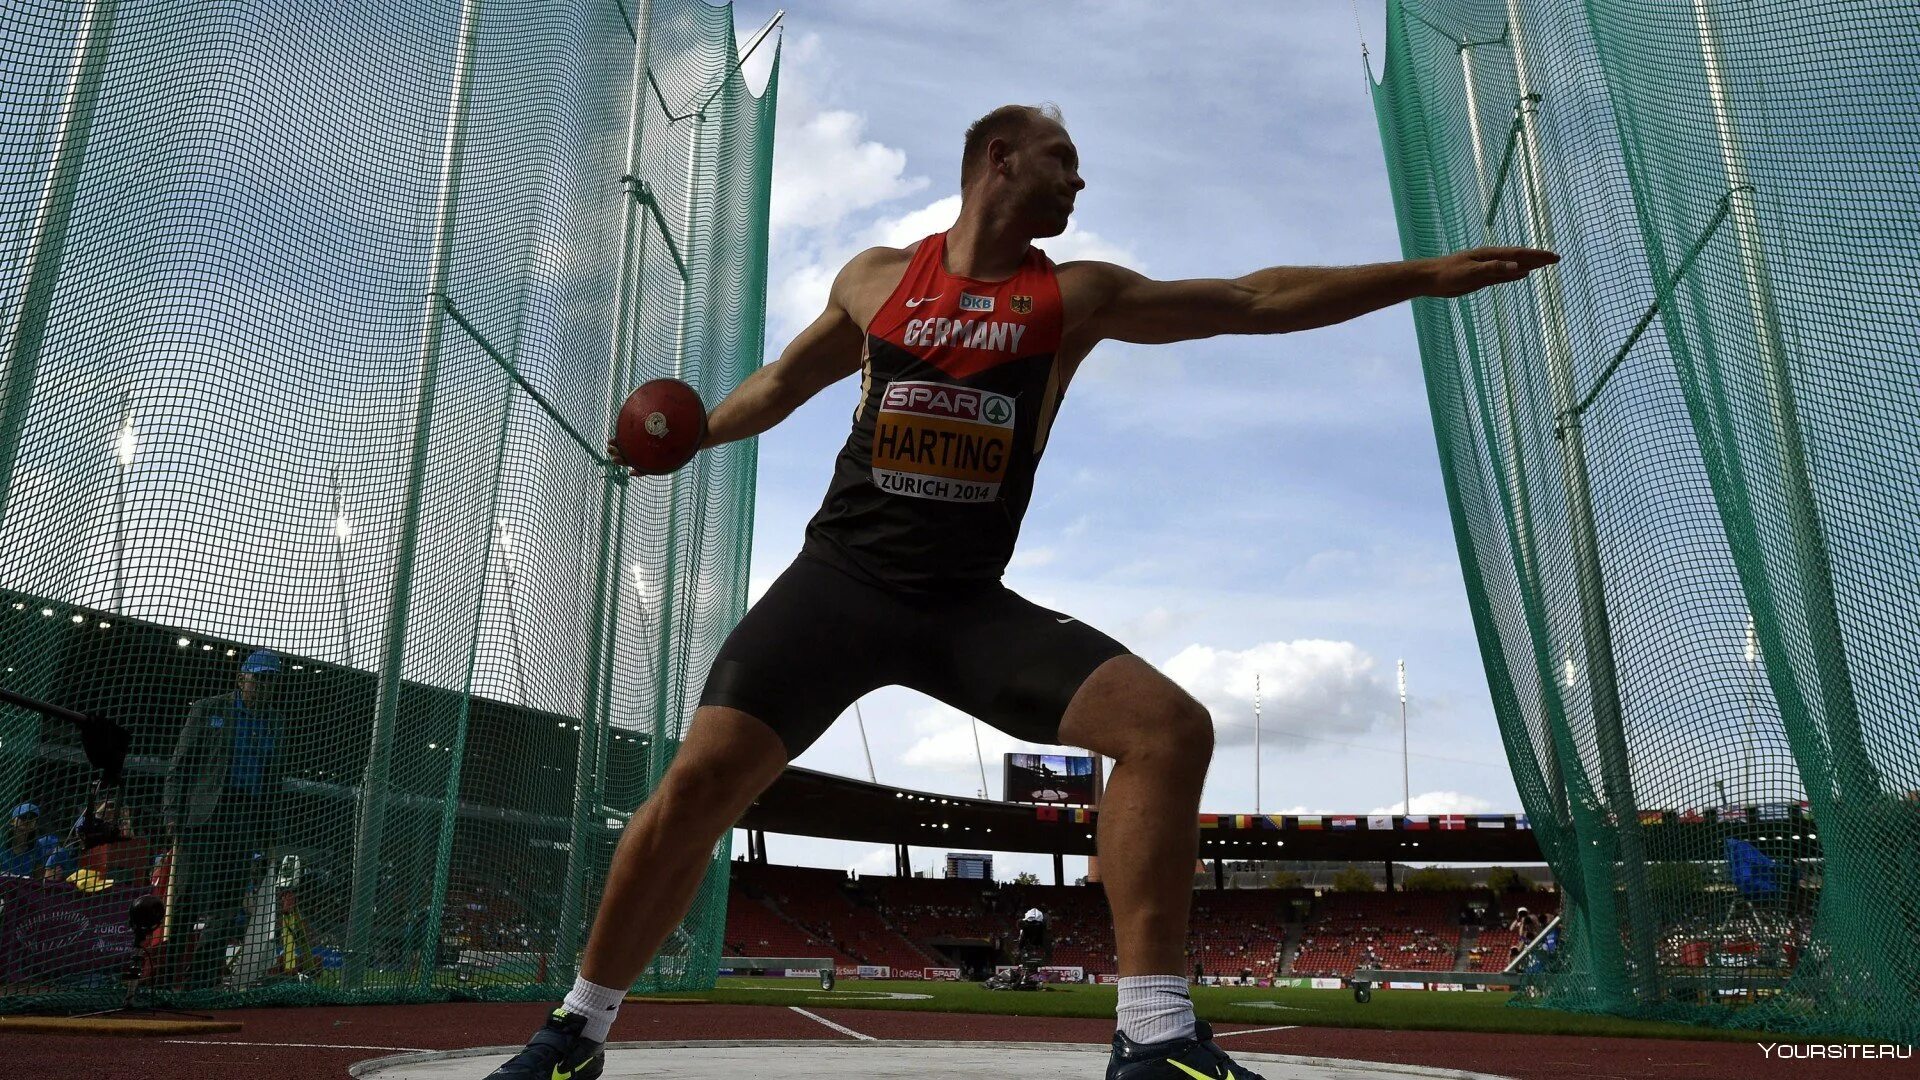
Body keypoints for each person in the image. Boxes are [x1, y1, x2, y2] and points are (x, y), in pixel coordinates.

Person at [486, 103, 1553, 1080]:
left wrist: (1418, 276)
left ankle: (1154, 1035)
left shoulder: (1075, 294)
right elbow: (781, 382)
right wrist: (698, 433)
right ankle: (575, 1031)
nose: (1078, 186)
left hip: (961, 608)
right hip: (838, 587)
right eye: (1063, 162)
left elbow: (1251, 300)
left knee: (1168, 729)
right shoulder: (872, 279)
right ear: (998, 159)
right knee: (695, 790)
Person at [161, 649, 287, 990]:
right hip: (202, 817)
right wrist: (173, 814)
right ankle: (167, 978)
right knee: (184, 901)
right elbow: (180, 765)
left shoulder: (275, 722)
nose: (263, 685)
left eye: (270, 680)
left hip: (245, 818)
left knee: (227, 905)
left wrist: (269, 833)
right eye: (258, 678)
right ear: (241, 678)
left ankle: (200, 981)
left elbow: (273, 782)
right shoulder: (209, 709)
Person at [2, 803, 75, 879]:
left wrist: (47, 878)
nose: (27, 821)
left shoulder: (36, 848)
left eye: (31, 819)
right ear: (12, 821)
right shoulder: (2, 845)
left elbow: (38, 877)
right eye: (23, 817)